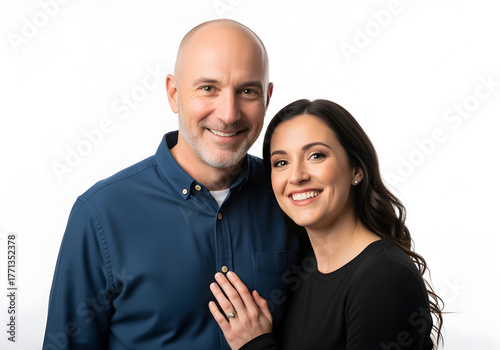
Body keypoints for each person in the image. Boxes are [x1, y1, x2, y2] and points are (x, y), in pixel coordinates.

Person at [42, 19, 300, 350]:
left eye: (247, 91)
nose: (229, 113)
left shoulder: (291, 195)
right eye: (208, 88)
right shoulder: (101, 213)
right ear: (174, 94)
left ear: (267, 97)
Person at [209, 99, 444, 349]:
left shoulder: (383, 276)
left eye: (316, 156)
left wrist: (255, 345)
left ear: (356, 169)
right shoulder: (303, 267)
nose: (297, 176)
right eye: (281, 162)